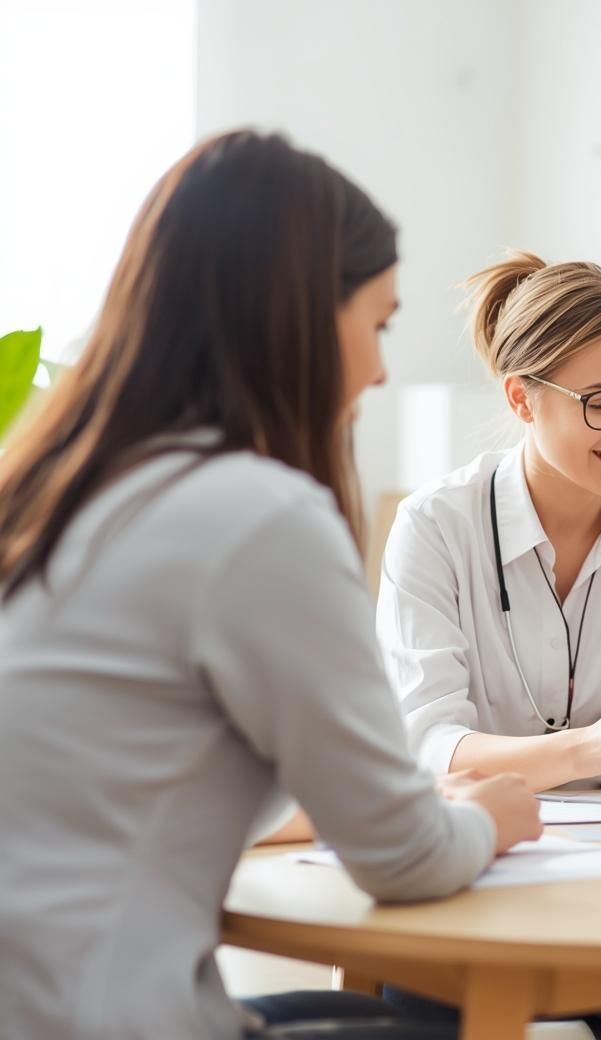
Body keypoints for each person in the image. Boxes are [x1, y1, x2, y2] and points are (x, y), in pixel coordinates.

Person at [0, 130, 540, 1040]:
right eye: (377, 324)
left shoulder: (50, 490)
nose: (379, 368)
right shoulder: (257, 518)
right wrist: (489, 816)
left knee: (336, 1011)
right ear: (290, 315)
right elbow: (406, 858)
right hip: (95, 1016)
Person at [375, 250, 601, 1038]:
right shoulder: (436, 527)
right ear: (523, 399)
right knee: (420, 1000)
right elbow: (426, 742)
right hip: (473, 855)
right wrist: (593, 753)